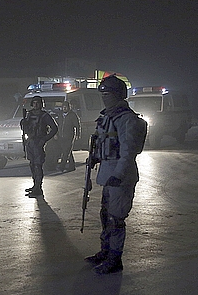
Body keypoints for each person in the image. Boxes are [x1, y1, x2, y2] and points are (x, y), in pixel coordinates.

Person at [85, 75, 147, 274]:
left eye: (108, 94)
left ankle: (115, 258)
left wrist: (119, 174)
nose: (105, 98)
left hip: (121, 176)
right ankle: (105, 251)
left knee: (116, 218)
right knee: (106, 215)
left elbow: (128, 151)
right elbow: (102, 143)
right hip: (107, 173)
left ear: (118, 95)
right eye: (102, 94)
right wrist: (95, 157)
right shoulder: (107, 118)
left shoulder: (127, 119)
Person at [20, 96, 58, 197]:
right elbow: (26, 127)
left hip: (38, 142)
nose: (36, 105)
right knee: (32, 164)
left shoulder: (45, 116)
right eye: (34, 103)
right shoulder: (29, 114)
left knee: (37, 165)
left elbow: (54, 128)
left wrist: (44, 139)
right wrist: (23, 124)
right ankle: (35, 185)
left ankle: (38, 188)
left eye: (38, 103)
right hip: (30, 141)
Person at [56, 101, 81, 172]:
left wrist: (78, 134)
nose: (64, 108)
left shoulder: (72, 115)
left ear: (69, 107)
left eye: (66, 107)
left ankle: (62, 167)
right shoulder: (60, 115)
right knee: (67, 151)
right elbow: (58, 125)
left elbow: (77, 125)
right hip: (61, 136)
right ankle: (72, 166)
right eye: (63, 107)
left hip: (69, 136)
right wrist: (56, 134)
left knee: (66, 152)